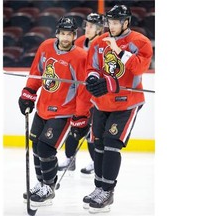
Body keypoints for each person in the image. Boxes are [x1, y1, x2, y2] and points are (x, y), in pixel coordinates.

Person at [82, 4, 153, 213]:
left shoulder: (140, 42)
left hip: (126, 102)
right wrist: (93, 79)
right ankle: (98, 187)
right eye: (109, 22)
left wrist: (118, 50)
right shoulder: (98, 42)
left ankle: (107, 191)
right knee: (98, 144)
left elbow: (139, 67)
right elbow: (92, 67)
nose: (111, 26)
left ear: (126, 22)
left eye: (115, 22)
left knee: (112, 143)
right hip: (102, 102)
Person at [18, 16, 92, 208]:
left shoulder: (80, 57)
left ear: (74, 35)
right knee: (35, 147)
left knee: (46, 149)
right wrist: (29, 93)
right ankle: (41, 183)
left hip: (64, 112)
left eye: (70, 34)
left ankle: (49, 187)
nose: (66, 38)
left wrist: (81, 115)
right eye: (63, 33)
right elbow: (37, 72)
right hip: (43, 107)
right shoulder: (46, 47)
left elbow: (82, 91)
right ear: (57, 33)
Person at [58, 12, 104, 175]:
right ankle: (70, 159)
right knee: (74, 125)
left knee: (93, 131)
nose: (87, 28)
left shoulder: (103, 44)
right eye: (87, 25)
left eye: (91, 26)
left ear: (99, 29)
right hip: (78, 94)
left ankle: (94, 161)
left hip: (95, 95)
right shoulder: (77, 42)